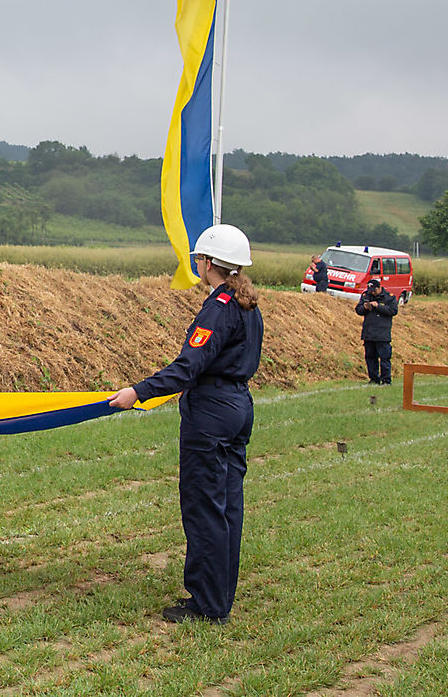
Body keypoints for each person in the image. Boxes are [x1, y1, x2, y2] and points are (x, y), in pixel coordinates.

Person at [109, 223, 263, 626]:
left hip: (211, 411)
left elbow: (188, 366)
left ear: (208, 262)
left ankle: (206, 606)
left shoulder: (219, 307)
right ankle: (219, 597)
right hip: (238, 405)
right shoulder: (247, 304)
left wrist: (138, 392)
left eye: (199, 258)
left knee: (204, 506)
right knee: (228, 506)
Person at [356, 277, 398, 384]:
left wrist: (378, 306)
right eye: (371, 291)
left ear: (379, 288)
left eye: (374, 291)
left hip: (382, 334)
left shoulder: (389, 297)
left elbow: (393, 311)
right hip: (369, 333)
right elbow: (358, 310)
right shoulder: (366, 296)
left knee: (384, 358)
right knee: (370, 357)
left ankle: (386, 380)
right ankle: (374, 378)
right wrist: (365, 307)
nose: (373, 293)